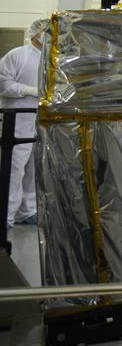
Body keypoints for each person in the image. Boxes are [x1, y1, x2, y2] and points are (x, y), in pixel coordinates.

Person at [0, 18, 47, 228]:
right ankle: (5, 216)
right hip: (17, 121)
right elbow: (3, 83)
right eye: (47, 32)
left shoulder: (51, 58)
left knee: (33, 168)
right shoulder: (18, 55)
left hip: (41, 121)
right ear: (35, 33)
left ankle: (27, 211)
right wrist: (27, 90)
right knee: (14, 168)